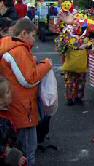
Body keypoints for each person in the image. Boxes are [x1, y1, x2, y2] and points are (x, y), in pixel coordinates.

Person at [0, 18, 52, 166]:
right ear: (24, 33)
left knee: (23, 148)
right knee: (28, 150)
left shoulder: (10, 46)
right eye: (33, 35)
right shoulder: (19, 49)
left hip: (17, 106)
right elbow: (29, 79)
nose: (34, 39)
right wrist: (46, 65)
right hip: (23, 109)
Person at [0, 77, 27, 166]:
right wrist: (15, 157)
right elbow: (5, 145)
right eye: (7, 92)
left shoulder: (6, 114)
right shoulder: (3, 120)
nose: (10, 93)